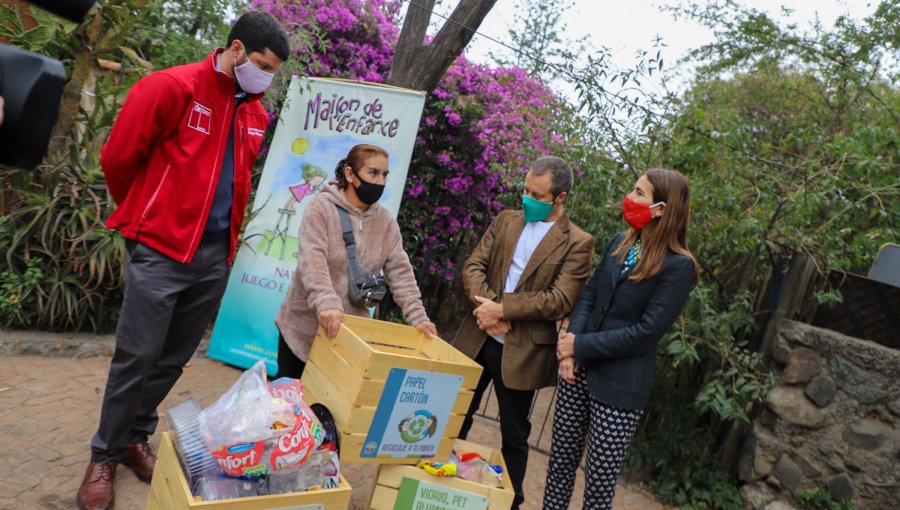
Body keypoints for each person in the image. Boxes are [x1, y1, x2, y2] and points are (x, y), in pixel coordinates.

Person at [77, 12, 290, 510]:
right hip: (161, 250)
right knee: (137, 355)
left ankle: (134, 438)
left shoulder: (256, 112)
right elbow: (118, 159)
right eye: (261, 64)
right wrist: (148, 216)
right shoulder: (171, 87)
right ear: (236, 49)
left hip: (213, 256)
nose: (266, 76)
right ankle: (103, 456)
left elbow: (237, 183)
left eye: (274, 71)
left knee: (171, 359)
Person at [543, 169, 699, 510]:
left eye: (639, 192)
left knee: (599, 485)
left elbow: (646, 332)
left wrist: (579, 346)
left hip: (619, 388)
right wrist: (570, 347)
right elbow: (589, 295)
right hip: (577, 372)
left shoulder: (678, 266)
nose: (631, 197)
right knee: (560, 465)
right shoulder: (620, 242)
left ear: (661, 208)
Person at [453, 156, 594, 509]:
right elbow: (474, 265)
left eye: (537, 194)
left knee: (514, 436)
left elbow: (560, 300)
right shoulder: (506, 220)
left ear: (559, 197)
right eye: (526, 190)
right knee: (456, 418)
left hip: (522, 350)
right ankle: (442, 486)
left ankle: (512, 502)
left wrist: (504, 310)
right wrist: (486, 309)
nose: (527, 199)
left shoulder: (578, 241)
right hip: (478, 337)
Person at [274, 144, 438, 378]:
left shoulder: (386, 223)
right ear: (350, 174)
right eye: (373, 173)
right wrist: (327, 303)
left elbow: (401, 274)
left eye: (384, 174)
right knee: (289, 407)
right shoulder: (321, 209)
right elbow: (312, 261)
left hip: (348, 338)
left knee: (331, 409)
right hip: (302, 329)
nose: (380, 181)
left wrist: (418, 317)